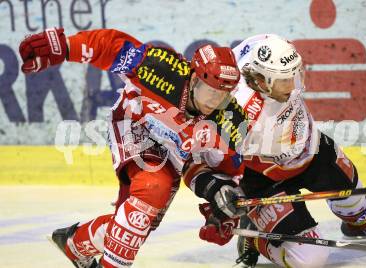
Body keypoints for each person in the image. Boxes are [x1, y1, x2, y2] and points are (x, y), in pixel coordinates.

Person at [19, 28, 247, 267]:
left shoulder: (231, 122)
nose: (213, 102)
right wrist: (64, 46)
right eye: (209, 91)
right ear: (193, 78)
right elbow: (110, 46)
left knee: (138, 225)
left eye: (222, 96)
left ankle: (74, 243)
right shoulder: (160, 68)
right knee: (152, 190)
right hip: (135, 124)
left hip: (173, 151)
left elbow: (221, 171)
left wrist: (221, 207)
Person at [187, 34, 366, 268]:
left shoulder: (269, 47)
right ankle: (255, 237)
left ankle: (360, 226)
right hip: (265, 180)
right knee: (310, 260)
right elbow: (195, 163)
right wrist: (218, 199)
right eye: (284, 80)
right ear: (262, 81)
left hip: (312, 148)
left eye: (295, 74)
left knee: (353, 197)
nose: (293, 86)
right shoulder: (233, 113)